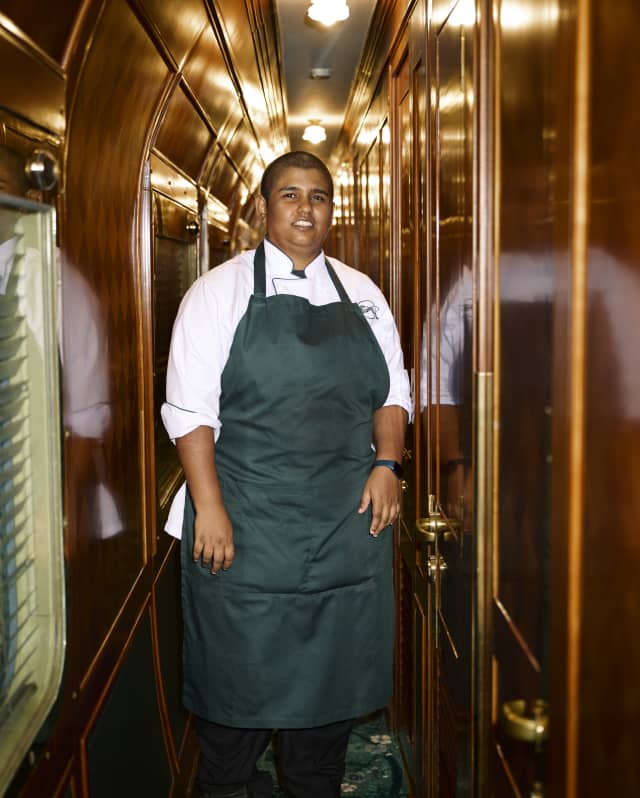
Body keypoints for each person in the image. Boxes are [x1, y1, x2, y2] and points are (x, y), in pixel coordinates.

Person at [161, 151, 411, 798]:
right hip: (245, 537)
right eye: (291, 195)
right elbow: (190, 412)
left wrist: (388, 462)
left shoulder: (363, 295)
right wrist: (208, 506)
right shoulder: (215, 295)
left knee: (318, 750)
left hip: (341, 538)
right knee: (230, 741)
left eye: (319, 197)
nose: (306, 209)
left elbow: (393, 392)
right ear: (263, 208)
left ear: (333, 210)